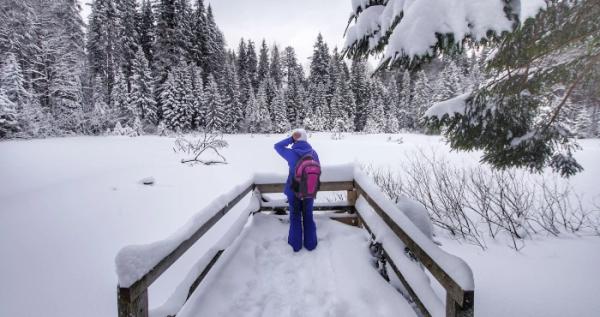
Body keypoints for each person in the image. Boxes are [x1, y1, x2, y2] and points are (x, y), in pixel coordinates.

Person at [274, 129, 320, 252]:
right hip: (309, 191)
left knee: (295, 216)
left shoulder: (291, 153)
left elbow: (277, 146)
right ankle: (311, 245)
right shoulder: (313, 153)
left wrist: (290, 139)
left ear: (296, 139)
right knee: (308, 216)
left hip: (293, 190)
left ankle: (295, 246)